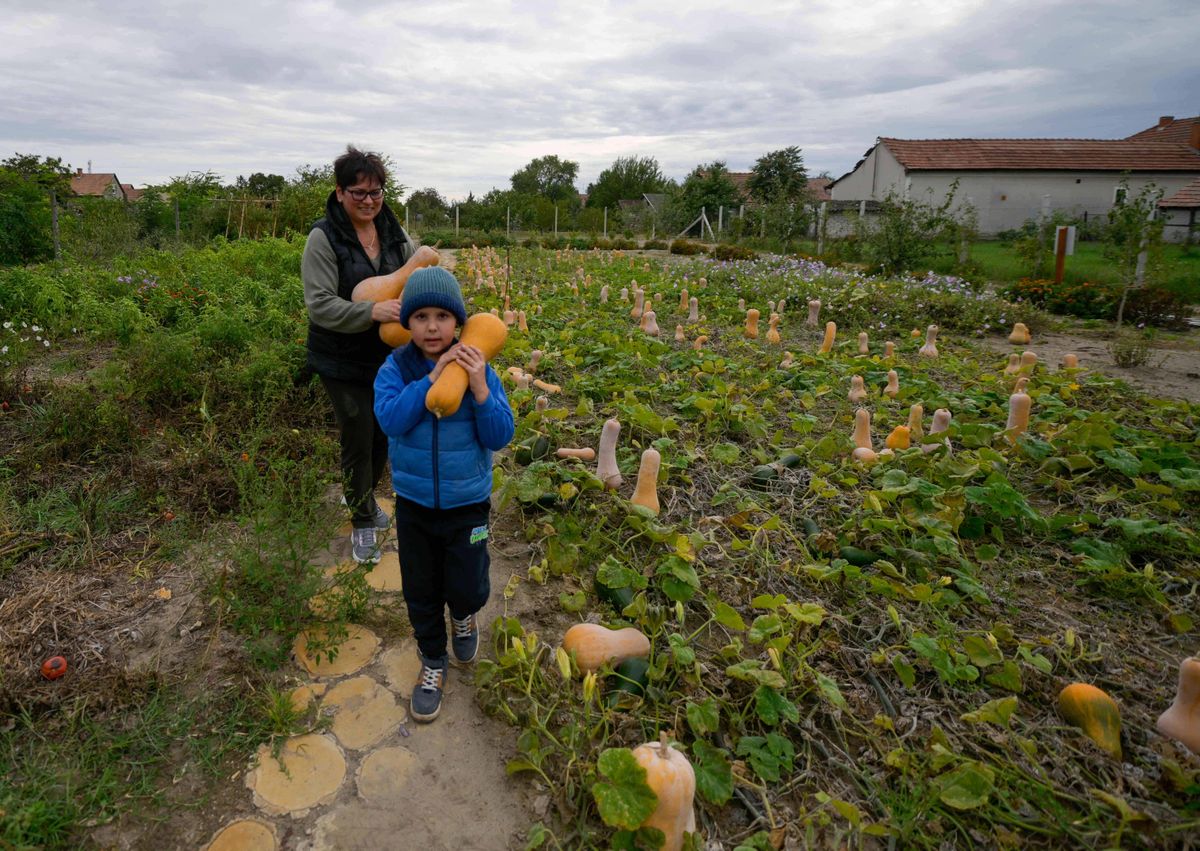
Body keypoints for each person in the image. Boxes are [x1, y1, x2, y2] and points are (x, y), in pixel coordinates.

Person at [373, 267, 514, 722]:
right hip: (414, 504)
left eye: (442, 317)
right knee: (420, 587)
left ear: (458, 323)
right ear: (407, 324)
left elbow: (500, 436)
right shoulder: (394, 368)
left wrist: (476, 389)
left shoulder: (482, 369)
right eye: (421, 317)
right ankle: (433, 660)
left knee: (466, 581)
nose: (432, 327)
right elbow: (390, 420)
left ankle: (465, 616)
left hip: (467, 504)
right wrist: (431, 380)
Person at [302, 146, 438, 564]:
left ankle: (361, 499)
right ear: (340, 192)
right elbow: (319, 303)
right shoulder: (323, 237)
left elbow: (413, 284)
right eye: (358, 192)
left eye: (375, 191)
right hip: (340, 357)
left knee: (384, 433)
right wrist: (370, 311)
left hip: (388, 358)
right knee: (358, 434)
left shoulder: (396, 236)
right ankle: (362, 521)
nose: (368, 200)